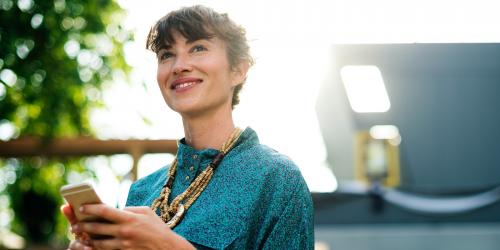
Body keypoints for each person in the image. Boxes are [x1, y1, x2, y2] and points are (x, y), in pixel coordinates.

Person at [61, 5, 314, 249]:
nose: (179, 65)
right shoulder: (142, 191)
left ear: (238, 70)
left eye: (198, 48)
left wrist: (167, 246)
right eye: (166, 55)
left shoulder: (276, 179)